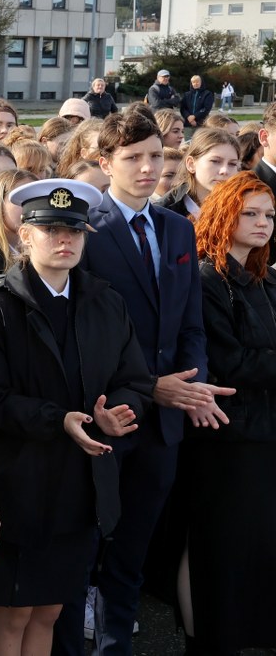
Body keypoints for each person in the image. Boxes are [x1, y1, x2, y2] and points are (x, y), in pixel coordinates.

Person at [55, 111, 226, 656]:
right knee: (82, 553)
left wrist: (192, 387)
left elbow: (190, 323)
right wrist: (151, 385)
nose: (148, 167)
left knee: (132, 553)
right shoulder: (85, 229)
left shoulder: (177, 228)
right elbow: (80, 333)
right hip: (104, 415)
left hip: (164, 425)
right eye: (133, 158)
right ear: (105, 163)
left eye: (155, 155)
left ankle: (115, 648)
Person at [0, 179, 152, 656]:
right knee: (12, 610)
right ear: (24, 235)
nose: (65, 240)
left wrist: (119, 411)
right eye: (51, 229)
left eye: (74, 231)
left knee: (51, 610)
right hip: (19, 482)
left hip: (81, 483)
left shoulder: (104, 300)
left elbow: (135, 379)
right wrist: (59, 420)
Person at [180, 171, 276, 654]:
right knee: (223, 552)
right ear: (224, 214)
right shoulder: (206, 278)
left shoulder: (265, 278)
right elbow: (228, 361)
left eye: (270, 215)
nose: (263, 223)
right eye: (251, 213)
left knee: (258, 550)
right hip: (226, 438)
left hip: (264, 433)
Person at [157, 128, 241, 220]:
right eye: (215, 161)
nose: (225, 170)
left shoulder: (243, 205)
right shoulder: (161, 212)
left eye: (232, 164)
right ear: (191, 164)